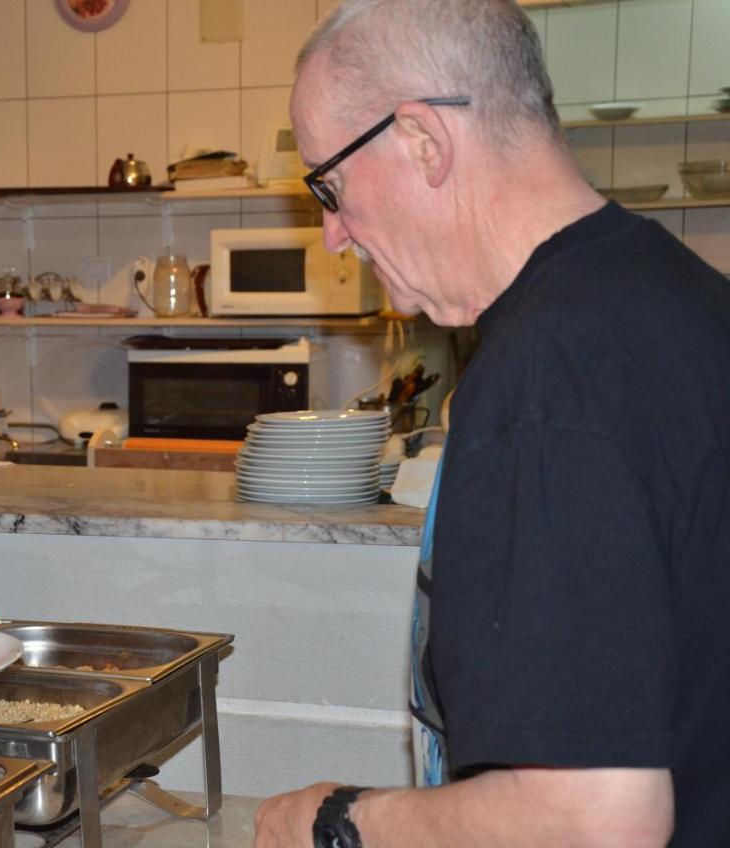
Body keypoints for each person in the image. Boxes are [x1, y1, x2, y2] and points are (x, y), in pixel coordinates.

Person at [255, 0, 730, 845]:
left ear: (423, 141)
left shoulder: (547, 378)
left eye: (330, 187)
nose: (332, 235)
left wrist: (335, 822)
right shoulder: (682, 297)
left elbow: (592, 821)